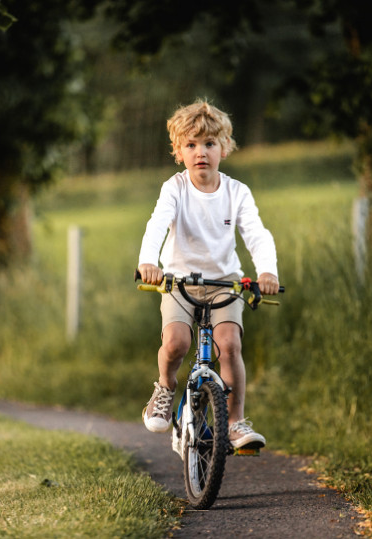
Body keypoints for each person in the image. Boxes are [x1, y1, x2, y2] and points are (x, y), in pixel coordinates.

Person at [137, 99, 279, 450]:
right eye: (191, 145)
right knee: (176, 343)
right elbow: (157, 225)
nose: (201, 152)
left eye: (209, 144)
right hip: (179, 282)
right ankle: (165, 388)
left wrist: (267, 271)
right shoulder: (175, 188)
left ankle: (235, 423)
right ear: (179, 151)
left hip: (224, 284)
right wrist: (148, 262)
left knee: (229, 345)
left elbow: (257, 234)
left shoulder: (236, 193)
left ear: (224, 148)